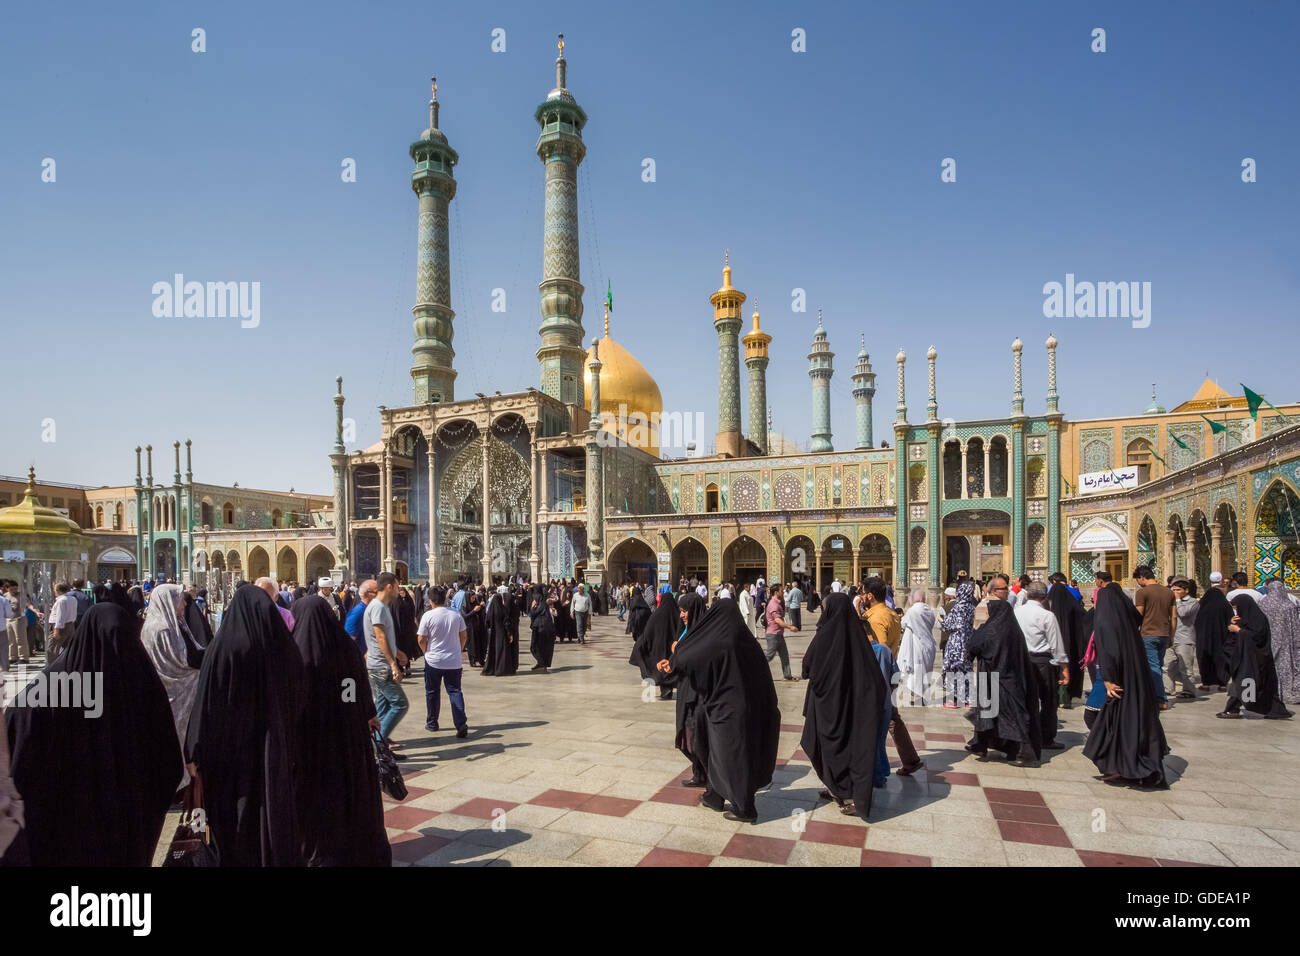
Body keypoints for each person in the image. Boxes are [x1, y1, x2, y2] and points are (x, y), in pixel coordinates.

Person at [6, 602, 181, 866]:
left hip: (60, 835)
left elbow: (18, 749)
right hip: (126, 834)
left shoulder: (51, 689)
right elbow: (168, 766)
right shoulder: (141, 689)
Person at [184, 583, 306, 865]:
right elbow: (300, 694)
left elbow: (206, 702)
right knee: (268, 809)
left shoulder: (224, 647)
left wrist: (194, 750)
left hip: (229, 752)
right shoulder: (282, 648)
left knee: (234, 816)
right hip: (270, 750)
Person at [657, 600, 779, 823]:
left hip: (727, 710)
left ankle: (745, 808)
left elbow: (690, 658)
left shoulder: (720, 641)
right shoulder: (745, 640)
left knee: (731, 757)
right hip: (743, 707)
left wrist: (673, 662)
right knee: (718, 754)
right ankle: (714, 795)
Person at [291, 595, 391, 866]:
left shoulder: (293, 652)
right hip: (345, 739)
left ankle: (316, 850)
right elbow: (352, 690)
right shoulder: (345, 649)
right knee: (346, 792)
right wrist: (361, 713)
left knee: (312, 798)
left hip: (308, 744)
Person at [800, 592, 889, 819]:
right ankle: (837, 789)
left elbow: (807, 666)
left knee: (828, 748)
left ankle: (849, 795)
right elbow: (875, 680)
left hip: (828, 709)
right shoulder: (858, 637)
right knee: (852, 749)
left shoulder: (825, 636)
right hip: (854, 710)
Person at [1082, 582, 1170, 788]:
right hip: (1135, 683)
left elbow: (1110, 652)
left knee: (1101, 718)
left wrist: (1108, 679)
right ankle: (1123, 767)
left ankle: (1121, 767)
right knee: (1127, 723)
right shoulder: (1127, 625)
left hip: (1117, 683)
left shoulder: (1107, 623)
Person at [139, 582, 204, 787]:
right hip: (171, 692)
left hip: (182, 692)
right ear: (168, 601)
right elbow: (179, 663)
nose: (184, 603)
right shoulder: (160, 630)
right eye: (180, 599)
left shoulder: (176, 624)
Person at [965, 600, 1043, 767]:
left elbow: (974, 645)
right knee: (1002, 713)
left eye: (988, 611)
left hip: (995, 679)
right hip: (1012, 679)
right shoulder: (1013, 630)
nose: (987, 615)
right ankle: (982, 744)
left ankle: (1025, 753)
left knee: (1003, 715)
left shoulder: (991, 629)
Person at [1013, 581, 1070, 750]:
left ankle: (1022, 735)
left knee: (1024, 699)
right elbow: (1056, 644)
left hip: (1022, 661)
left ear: (1027, 594)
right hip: (1043, 662)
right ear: (1045, 597)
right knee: (1048, 701)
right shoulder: (1047, 616)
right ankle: (1046, 738)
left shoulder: (1016, 612)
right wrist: (1064, 668)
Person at [1218, 594, 1294, 720]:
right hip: (1247, 659)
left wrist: (1238, 630)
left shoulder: (1258, 619)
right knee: (1246, 684)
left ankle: (1233, 709)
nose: (1237, 611)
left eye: (1237, 608)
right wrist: (1233, 625)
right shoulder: (1246, 618)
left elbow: (1256, 637)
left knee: (1245, 683)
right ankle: (1235, 709)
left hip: (1256, 660)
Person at [418, 586, 470, 736]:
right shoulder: (455, 615)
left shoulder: (428, 616)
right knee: (455, 691)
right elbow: (464, 636)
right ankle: (461, 724)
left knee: (432, 692)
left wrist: (426, 652)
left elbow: (421, 638)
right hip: (453, 660)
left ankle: (432, 722)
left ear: (431, 600)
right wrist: (458, 650)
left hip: (434, 660)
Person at [365, 572, 409, 746]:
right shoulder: (377, 607)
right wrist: (393, 664)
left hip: (379, 665)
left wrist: (398, 653)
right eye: (397, 587)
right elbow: (380, 636)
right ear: (389, 586)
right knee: (400, 704)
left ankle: (374, 746)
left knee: (382, 708)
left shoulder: (382, 607)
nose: (399, 591)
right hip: (381, 667)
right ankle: (378, 746)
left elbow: (385, 638)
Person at [1132, 566, 1173, 711]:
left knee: (1153, 667)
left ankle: (1160, 699)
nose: (1138, 583)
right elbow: (1173, 616)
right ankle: (1154, 694)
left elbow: (1138, 614)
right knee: (1158, 666)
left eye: (1138, 580)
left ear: (1142, 577)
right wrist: (1171, 635)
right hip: (1164, 634)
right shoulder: (1169, 592)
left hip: (1148, 634)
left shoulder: (1142, 592)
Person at [1046, 571, 1088, 707]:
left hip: (1052, 645)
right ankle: (1066, 698)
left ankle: (1055, 698)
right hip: (1070, 642)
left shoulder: (1048, 605)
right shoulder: (1072, 600)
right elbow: (1083, 617)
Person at [630, 589, 680, 699]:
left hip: (658, 648)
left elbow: (647, 633)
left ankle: (665, 688)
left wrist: (642, 644)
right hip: (672, 649)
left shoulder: (656, 615)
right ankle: (668, 688)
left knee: (660, 666)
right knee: (669, 666)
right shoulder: (677, 615)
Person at [1260, 579, 1300, 705]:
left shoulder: (1263, 604)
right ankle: (1287, 693)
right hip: (1286, 641)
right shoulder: (1289, 605)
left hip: (1267, 640)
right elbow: (1295, 626)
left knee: (1270, 666)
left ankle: (1270, 692)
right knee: (1286, 666)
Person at [898, 588, 937, 706]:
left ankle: (917, 697)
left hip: (916, 645)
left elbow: (903, 623)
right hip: (928, 644)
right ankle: (923, 695)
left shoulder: (912, 611)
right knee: (925, 671)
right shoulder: (929, 610)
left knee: (917, 672)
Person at [941, 581, 977, 707]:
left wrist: (941, 619)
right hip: (967, 642)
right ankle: (968, 700)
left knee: (953, 670)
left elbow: (947, 625)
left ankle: (953, 700)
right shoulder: (972, 608)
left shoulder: (958, 607)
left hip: (956, 643)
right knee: (966, 670)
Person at [1167, 579, 1200, 700]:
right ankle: (1168, 688)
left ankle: (1188, 690)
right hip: (1171, 637)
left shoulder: (1193, 602)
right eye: (1173, 590)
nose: (1175, 592)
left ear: (1186, 590)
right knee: (1167, 666)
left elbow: (1183, 613)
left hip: (1185, 638)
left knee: (1185, 667)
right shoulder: (1171, 601)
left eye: (1178, 590)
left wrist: (1176, 601)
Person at [763, 583, 799, 681]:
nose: (783, 592)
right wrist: (790, 627)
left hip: (779, 634)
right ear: (776, 592)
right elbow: (778, 620)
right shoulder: (773, 604)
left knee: (784, 656)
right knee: (769, 656)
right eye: (781, 590)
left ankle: (787, 676)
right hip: (773, 635)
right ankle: (752, 670)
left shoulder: (777, 602)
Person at [483, 585, 518, 677]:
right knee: (502, 652)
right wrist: (509, 633)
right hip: (502, 633)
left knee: (493, 651)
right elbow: (506, 623)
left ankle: (492, 669)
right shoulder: (503, 610)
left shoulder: (492, 610)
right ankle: (501, 670)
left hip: (494, 633)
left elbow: (487, 621)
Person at [46, 581, 78, 660]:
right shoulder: (73, 599)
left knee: (53, 649)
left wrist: (56, 630)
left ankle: (52, 668)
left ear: (58, 591)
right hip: (70, 625)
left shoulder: (61, 601)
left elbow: (60, 616)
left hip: (61, 627)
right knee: (67, 648)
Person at [345, 579, 377, 657]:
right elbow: (348, 639)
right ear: (368, 593)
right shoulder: (358, 612)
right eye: (376, 592)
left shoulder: (370, 609)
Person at [528, 585, 556, 673]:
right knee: (538, 646)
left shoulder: (542, 603)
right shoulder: (542, 602)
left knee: (535, 646)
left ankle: (542, 663)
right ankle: (540, 663)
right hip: (541, 628)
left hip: (541, 628)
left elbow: (534, 613)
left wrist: (532, 607)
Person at [5, 583, 31, 666]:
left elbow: (29, 605)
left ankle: (24, 657)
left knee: (20, 639)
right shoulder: (5, 596)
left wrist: (36, 611)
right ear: (7, 588)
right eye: (12, 589)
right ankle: (12, 657)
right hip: (8, 619)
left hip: (19, 619)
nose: (14, 591)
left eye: (15, 589)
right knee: (10, 640)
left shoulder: (21, 596)